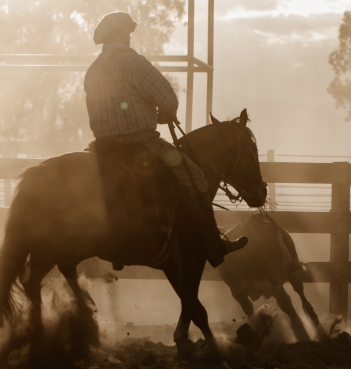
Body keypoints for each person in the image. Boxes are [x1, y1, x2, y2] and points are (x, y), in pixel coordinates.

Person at [84, 12, 248, 267]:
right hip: (140, 144)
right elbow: (167, 98)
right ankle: (214, 245)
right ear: (119, 35)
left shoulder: (93, 70)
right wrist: (164, 114)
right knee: (196, 178)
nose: (129, 37)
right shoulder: (133, 62)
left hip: (103, 148)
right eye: (126, 33)